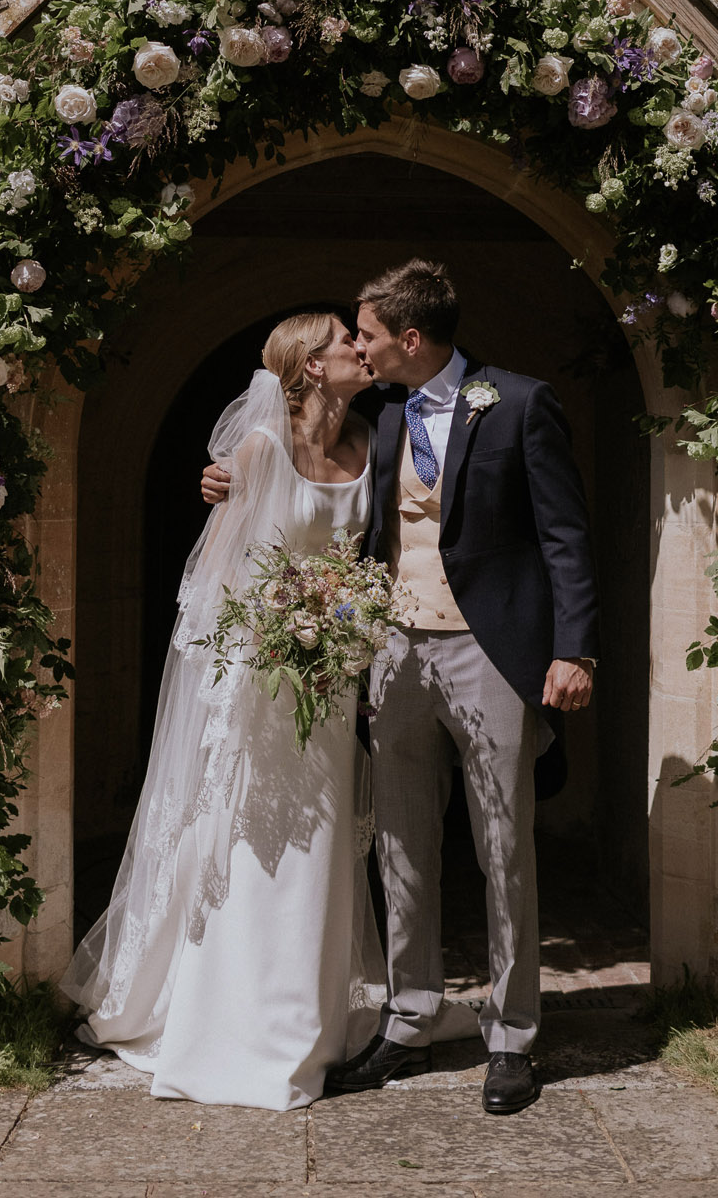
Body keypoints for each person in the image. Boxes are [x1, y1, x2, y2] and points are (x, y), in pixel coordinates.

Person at [203, 259, 600, 1116]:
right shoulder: (378, 416)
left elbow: (566, 535)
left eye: (371, 334)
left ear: (410, 338)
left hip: (491, 651)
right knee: (401, 842)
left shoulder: (520, 403)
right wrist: (232, 479)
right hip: (391, 652)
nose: (362, 347)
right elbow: (305, 458)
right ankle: (411, 1014)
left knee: (504, 844)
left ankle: (511, 1034)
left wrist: (575, 650)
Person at [61, 313, 382, 1110]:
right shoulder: (260, 451)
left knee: (328, 836)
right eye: (345, 339)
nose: (360, 347)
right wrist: (272, 633)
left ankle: (311, 1009)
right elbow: (212, 576)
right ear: (308, 365)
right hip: (267, 672)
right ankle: (236, 1019)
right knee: (251, 840)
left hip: (336, 673)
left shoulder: (375, 439)